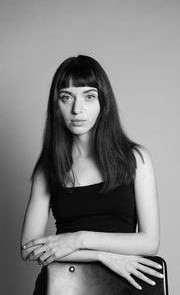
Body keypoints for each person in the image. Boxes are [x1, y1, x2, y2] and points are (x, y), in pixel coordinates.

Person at [20, 55, 163, 293]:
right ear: (56, 105)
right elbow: (28, 248)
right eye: (66, 97)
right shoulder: (48, 168)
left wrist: (79, 239)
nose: (77, 109)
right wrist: (101, 256)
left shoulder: (136, 159)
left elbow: (149, 242)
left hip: (125, 284)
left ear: (102, 102)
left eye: (89, 96)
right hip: (64, 286)